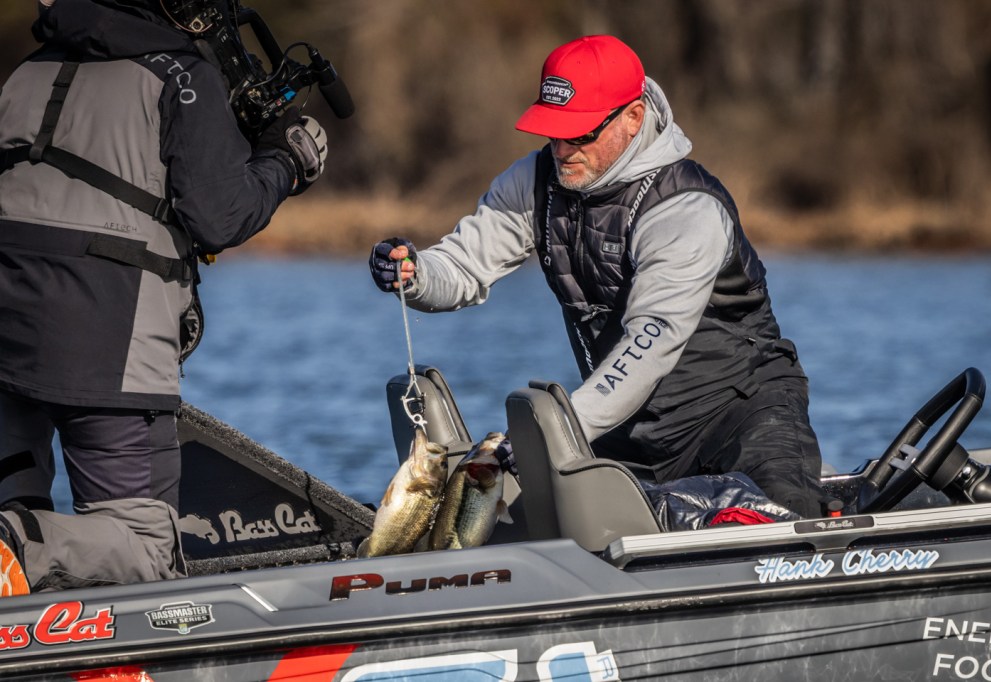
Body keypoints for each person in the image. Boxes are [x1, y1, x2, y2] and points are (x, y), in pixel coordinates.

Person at [370, 35, 826, 519]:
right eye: (553, 132)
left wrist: (558, 432)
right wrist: (415, 274)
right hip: (628, 428)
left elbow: (651, 343)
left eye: (580, 133)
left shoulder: (686, 209)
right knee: (527, 514)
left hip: (742, 417)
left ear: (633, 117)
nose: (563, 150)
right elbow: (463, 265)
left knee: (780, 518)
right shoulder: (533, 182)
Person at [0, 0, 328, 594]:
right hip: (107, 340)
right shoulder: (181, 77)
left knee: (16, 503)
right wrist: (288, 159)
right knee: (146, 548)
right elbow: (221, 217)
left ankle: (18, 554)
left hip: (7, 338)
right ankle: (17, 545)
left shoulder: (26, 71)